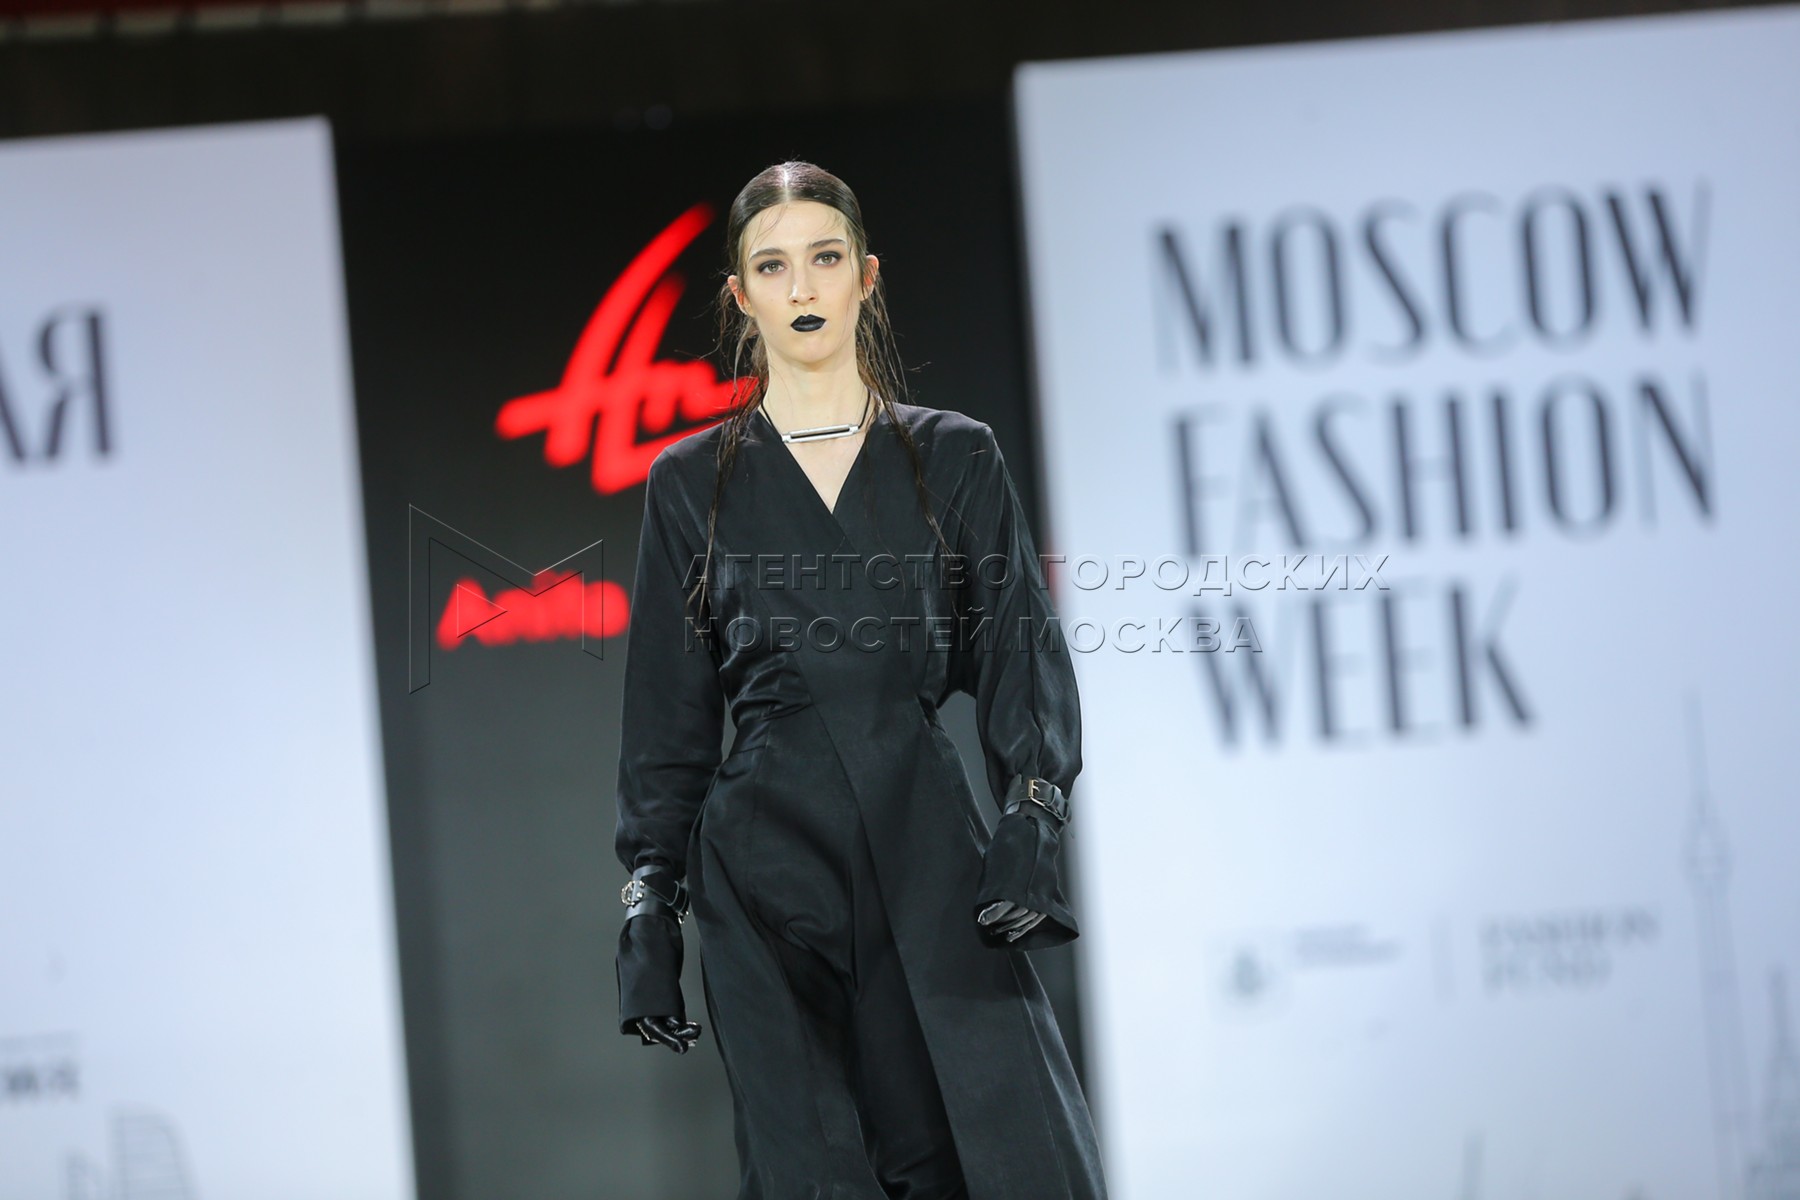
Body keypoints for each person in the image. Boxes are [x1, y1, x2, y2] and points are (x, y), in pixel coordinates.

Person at [613, 160, 1107, 1200]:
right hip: (763, 866)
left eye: (825, 258)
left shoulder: (954, 457)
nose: (802, 287)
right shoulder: (689, 485)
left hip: (922, 844)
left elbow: (1019, 648)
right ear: (740, 296)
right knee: (808, 1174)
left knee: (982, 1154)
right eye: (773, 267)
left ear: (866, 277)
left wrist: (1033, 809)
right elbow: (668, 713)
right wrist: (650, 899)